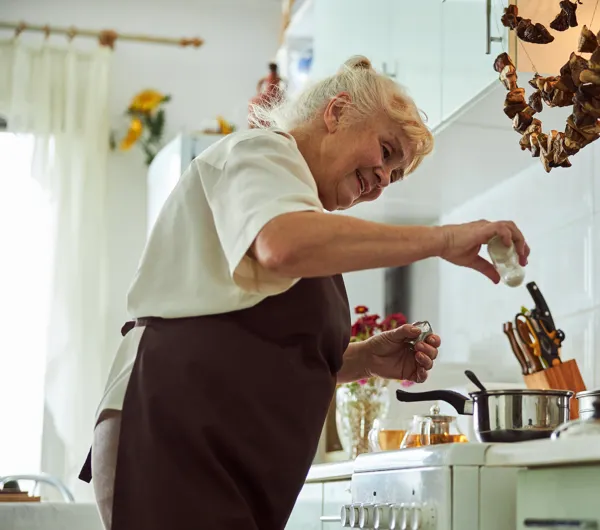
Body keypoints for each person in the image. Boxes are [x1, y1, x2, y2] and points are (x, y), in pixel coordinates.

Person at [79, 55, 530, 530]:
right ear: (336, 113)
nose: (381, 181)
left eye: (394, 177)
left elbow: (258, 344)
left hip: (219, 443)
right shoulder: (262, 152)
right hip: (174, 427)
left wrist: (361, 360)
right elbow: (282, 247)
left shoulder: (301, 214)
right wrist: (443, 238)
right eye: (386, 151)